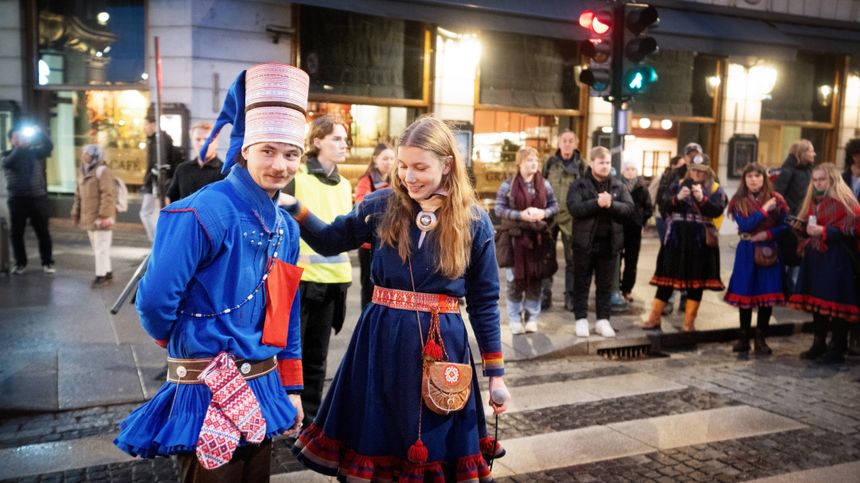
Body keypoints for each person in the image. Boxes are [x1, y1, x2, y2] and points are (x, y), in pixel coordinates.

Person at [285, 116, 509, 482]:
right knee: (378, 440)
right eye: (403, 166)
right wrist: (293, 206)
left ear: (447, 164)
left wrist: (495, 374)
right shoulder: (379, 205)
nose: (409, 176)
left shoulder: (474, 221)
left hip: (444, 347)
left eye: (421, 167)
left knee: (435, 445)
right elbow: (328, 240)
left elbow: (485, 301)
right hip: (380, 343)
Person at [114, 63, 307, 482]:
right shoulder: (201, 211)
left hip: (263, 387)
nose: (280, 164)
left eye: (291, 154)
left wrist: (291, 388)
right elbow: (153, 300)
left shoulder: (287, 227)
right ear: (245, 149)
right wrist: (187, 342)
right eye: (268, 151)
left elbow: (284, 315)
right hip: (204, 391)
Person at [289, 114, 353, 426]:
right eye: (336, 139)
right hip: (301, 283)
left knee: (317, 357)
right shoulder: (297, 177)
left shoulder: (345, 184)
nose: (344, 145)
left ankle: (310, 419)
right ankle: (288, 414)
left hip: (335, 283)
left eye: (345, 139)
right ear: (317, 142)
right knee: (292, 356)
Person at [643, 155, 727, 332]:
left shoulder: (715, 188)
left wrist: (702, 199)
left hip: (700, 242)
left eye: (700, 171)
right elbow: (663, 205)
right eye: (693, 170)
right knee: (666, 279)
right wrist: (677, 198)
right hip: (676, 239)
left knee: (697, 282)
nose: (696, 174)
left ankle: (689, 322)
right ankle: (654, 317)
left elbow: (717, 210)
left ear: (707, 171)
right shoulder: (678, 184)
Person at [789, 163, 860, 364]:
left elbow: (854, 230)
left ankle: (837, 347)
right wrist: (800, 228)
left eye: (822, 179)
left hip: (837, 258)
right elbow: (809, 228)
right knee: (817, 303)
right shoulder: (812, 200)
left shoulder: (846, 202)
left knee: (836, 303)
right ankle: (818, 343)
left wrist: (825, 232)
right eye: (815, 179)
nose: (818, 183)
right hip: (815, 256)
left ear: (832, 180)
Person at [568, 146, 634, 338]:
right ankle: (580, 319)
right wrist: (596, 203)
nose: (605, 166)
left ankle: (603, 320)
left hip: (610, 244)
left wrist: (611, 204)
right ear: (592, 163)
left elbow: (629, 209)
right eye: (601, 162)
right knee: (581, 283)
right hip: (584, 243)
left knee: (605, 285)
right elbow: (575, 208)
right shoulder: (579, 185)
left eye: (607, 163)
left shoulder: (617, 186)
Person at [723, 163, 790, 355]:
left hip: (769, 251)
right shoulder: (738, 200)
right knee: (745, 293)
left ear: (764, 178)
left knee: (766, 296)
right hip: (746, 250)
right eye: (750, 176)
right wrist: (765, 209)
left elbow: (786, 226)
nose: (754, 179)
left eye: (757, 176)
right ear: (744, 179)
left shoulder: (777, 199)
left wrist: (767, 235)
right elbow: (745, 224)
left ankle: (760, 339)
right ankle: (743, 338)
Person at [494, 146, 558, 334]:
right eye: (529, 160)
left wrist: (543, 212)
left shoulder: (544, 184)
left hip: (537, 238)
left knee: (535, 280)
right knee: (515, 281)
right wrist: (520, 215)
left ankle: (532, 317)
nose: (534, 164)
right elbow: (499, 209)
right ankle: (514, 319)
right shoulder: (508, 185)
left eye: (536, 161)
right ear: (520, 163)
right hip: (516, 239)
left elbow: (555, 206)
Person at [541, 129, 586, 311]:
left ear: (575, 144)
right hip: (550, 217)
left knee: (572, 260)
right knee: (546, 258)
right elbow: (541, 186)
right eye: (564, 140)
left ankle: (571, 297)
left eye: (570, 141)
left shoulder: (582, 165)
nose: (567, 144)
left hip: (571, 218)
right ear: (559, 143)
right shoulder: (550, 163)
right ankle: (546, 295)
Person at [2, 124, 54, 274]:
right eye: (16, 137)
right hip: (17, 199)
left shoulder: (34, 152)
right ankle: (20, 263)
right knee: (17, 233)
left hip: (37, 197)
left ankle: (47, 262)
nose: (20, 139)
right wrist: (20, 147)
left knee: (43, 232)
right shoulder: (6, 154)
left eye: (22, 137)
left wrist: (40, 133)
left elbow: (49, 147)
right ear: (11, 140)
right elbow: (10, 161)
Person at [353, 142, 394, 309]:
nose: (389, 162)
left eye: (392, 159)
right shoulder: (366, 180)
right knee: (369, 289)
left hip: (389, 243)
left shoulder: (396, 181)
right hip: (369, 245)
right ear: (375, 159)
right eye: (385, 158)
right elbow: (362, 208)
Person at [71, 144, 117, 288]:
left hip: (101, 217)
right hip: (89, 217)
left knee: (101, 247)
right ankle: (107, 272)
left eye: (88, 154)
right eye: (84, 153)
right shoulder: (84, 172)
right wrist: (75, 212)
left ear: (95, 155)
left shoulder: (102, 171)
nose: (84, 156)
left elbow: (108, 195)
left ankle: (101, 276)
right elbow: (78, 195)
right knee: (98, 247)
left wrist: (103, 216)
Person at [140, 116, 183, 241]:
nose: (144, 128)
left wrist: (150, 178)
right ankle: (158, 241)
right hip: (157, 181)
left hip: (157, 182)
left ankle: (157, 241)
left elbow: (160, 162)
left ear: (153, 124)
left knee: (147, 212)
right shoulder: (156, 139)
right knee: (154, 212)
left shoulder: (160, 140)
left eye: (146, 124)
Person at [619, 160, 654, 302]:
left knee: (631, 261)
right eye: (627, 169)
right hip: (619, 227)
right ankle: (615, 287)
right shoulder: (617, 185)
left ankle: (627, 289)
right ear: (622, 171)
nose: (630, 171)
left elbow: (648, 208)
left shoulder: (642, 188)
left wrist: (641, 221)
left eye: (633, 169)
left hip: (634, 229)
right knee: (615, 259)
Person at [166, 121, 224, 202]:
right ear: (192, 142)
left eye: (207, 139)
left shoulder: (225, 172)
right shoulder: (182, 169)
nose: (202, 143)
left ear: (216, 142)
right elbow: (170, 198)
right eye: (197, 139)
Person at [774, 140, 816, 216]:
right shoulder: (787, 171)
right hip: (791, 217)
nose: (814, 154)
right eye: (811, 151)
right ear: (802, 153)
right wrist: (788, 214)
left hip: (805, 214)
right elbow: (778, 195)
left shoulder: (808, 170)